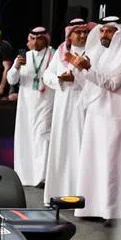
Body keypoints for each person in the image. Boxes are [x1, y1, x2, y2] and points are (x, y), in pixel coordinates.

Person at [68, 16, 121, 225]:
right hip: (95, 114)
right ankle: (92, 206)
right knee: (93, 161)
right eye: (102, 31)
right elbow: (88, 82)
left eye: (110, 31)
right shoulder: (98, 52)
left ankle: (113, 211)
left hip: (115, 116)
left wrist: (87, 68)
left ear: (119, 33)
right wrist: (77, 67)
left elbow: (112, 84)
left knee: (111, 164)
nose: (104, 35)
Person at [43, 18, 93, 201]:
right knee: (62, 147)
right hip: (63, 107)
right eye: (77, 32)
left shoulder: (94, 51)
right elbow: (47, 75)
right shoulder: (62, 53)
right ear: (69, 35)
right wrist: (60, 79)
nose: (82, 35)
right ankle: (59, 194)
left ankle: (82, 195)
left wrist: (77, 79)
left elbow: (100, 80)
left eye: (84, 32)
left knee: (81, 147)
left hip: (84, 106)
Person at [6, 26, 55, 187]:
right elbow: (11, 80)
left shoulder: (53, 55)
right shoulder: (24, 57)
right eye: (32, 38)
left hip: (46, 102)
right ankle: (26, 175)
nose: (35, 42)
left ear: (45, 39)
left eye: (39, 38)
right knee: (26, 137)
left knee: (42, 137)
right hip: (26, 104)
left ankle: (42, 177)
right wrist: (16, 67)